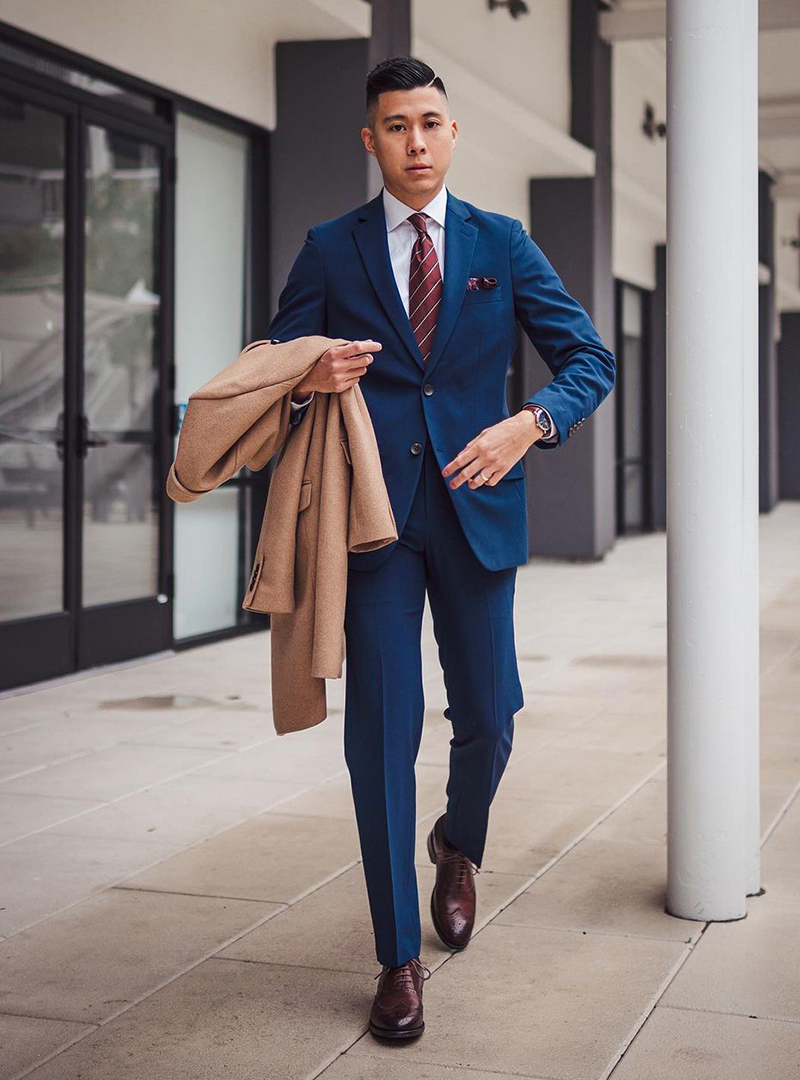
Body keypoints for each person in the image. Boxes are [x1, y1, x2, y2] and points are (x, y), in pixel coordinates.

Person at [267, 55, 615, 1041]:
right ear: (369, 141)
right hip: (371, 527)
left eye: (429, 122)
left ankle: (456, 845)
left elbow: (588, 359)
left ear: (451, 134)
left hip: (476, 515)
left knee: (490, 720)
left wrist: (529, 426)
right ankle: (395, 958)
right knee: (379, 734)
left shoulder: (499, 245)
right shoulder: (330, 250)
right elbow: (268, 369)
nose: (414, 141)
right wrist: (306, 373)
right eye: (394, 125)